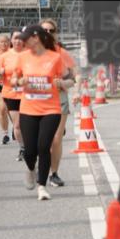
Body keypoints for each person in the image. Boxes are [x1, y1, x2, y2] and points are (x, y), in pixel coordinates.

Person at [15, 24, 65, 201]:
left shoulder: (55, 57)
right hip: (28, 108)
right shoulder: (22, 57)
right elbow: (14, 79)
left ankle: (42, 186)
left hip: (51, 108)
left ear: (36, 37)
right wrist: (19, 81)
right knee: (29, 151)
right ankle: (30, 168)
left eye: (25, 38)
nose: (23, 42)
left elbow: (67, 78)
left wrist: (62, 83)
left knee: (44, 147)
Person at [40, 18, 80, 187]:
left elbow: (75, 74)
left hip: (58, 99)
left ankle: (53, 173)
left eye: (51, 31)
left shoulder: (61, 53)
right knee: (40, 141)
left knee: (56, 138)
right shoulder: (30, 52)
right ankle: (39, 167)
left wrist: (73, 89)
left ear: (55, 33)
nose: (48, 33)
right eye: (45, 31)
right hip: (36, 100)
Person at [0, 31, 25, 159]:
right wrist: (0, 73)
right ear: (11, 41)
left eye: (20, 38)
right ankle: (23, 148)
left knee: (29, 123)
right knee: (17, 124)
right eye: (15, 38)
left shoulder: (29, 54)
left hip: (28, 94)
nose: (18, 41)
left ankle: (32, 145)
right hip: (10, 94)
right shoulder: (5, 56)